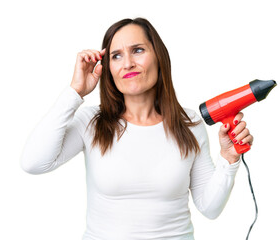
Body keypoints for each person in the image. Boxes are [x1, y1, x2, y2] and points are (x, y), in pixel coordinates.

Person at [20, 17, 254, 240]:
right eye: (116, 56)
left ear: (158, 56)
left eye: (138, 50)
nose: (128, 63)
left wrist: (228, 158)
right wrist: (75, 92)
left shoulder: (189, 123)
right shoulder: (92, 121)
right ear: (107, 68)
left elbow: (210, 208)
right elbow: (34, 162)